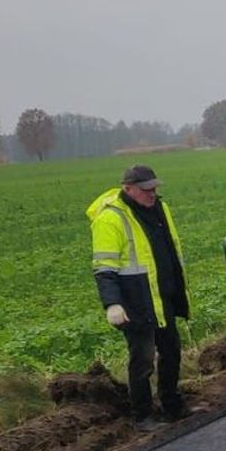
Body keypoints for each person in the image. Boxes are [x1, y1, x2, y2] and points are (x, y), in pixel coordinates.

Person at [87, 165, 193, 430]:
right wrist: (112, 303)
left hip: (163, 297)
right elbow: (104, 268)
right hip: (136, 302)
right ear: (128, 189)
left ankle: (172, 406)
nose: (152, 194)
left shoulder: (160, 209)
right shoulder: (110, 219)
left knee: (171, 352)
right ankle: (142, 416)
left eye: (155, 188)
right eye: (146, 190)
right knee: (143, 360)